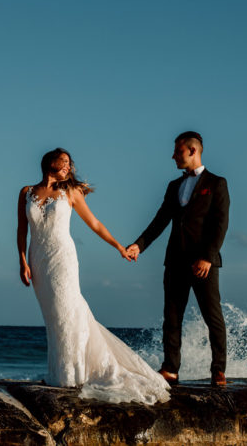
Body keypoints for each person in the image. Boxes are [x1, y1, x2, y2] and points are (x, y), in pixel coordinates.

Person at [17, 148, 170, 404]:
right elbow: (22, 230)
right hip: (37, 260)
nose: (67, 166)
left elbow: (95, 224)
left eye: (69, 163)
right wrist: (22, 262)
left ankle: (73, 374)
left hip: (62, 258)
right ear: (49, 162)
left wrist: (120, 247)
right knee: (53, 316)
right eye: (62, 161)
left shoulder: (71, 193)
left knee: (68, 310)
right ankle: (59, 372)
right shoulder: (26, 192)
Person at [126, 131, 230, 387]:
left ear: (192, 151)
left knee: (212, 316)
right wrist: (139, 245)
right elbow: (160, 220)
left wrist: (208, 257)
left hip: (204, 264)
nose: (173, 156)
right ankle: (170, 369)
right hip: (174, 261)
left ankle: (218, 370)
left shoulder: (217, 183)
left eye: (178, 151)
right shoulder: (174, 186)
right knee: (171, 317)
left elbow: (220, 224)